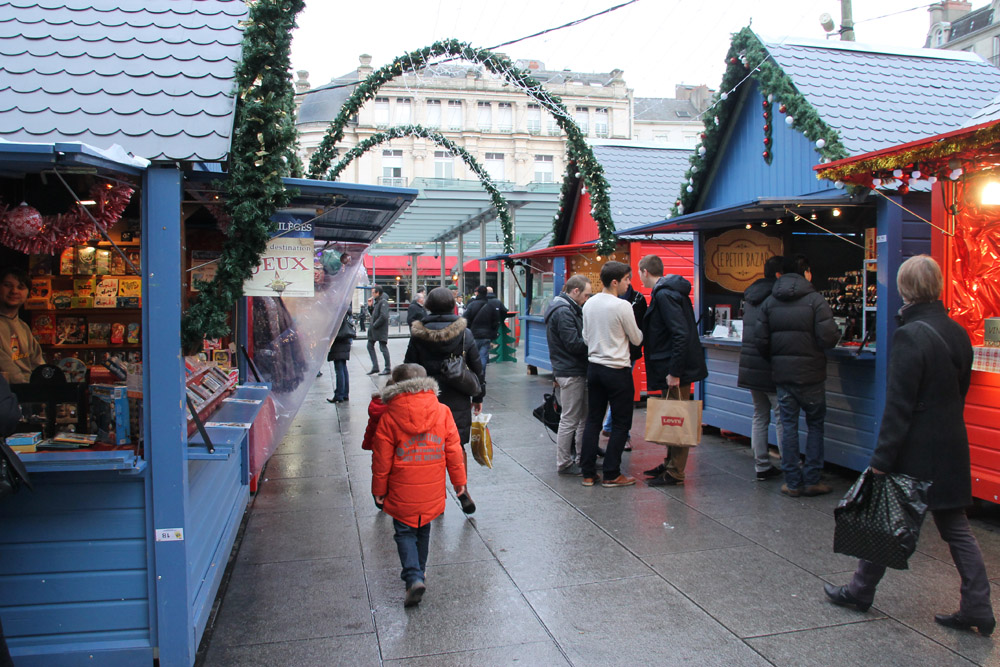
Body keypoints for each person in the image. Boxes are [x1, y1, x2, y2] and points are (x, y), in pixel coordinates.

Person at [824, 255, 995, 636]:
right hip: (951, 441)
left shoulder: (908, 336)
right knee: (956, 528)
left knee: (886, 521)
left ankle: (859, 590)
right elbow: (959, 391)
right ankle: (978, 605)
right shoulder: (957, 332)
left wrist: (882, 458)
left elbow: (899, 404)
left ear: (905, 289)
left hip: (915, 448)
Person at [371, 364, 466, 608]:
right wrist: (459, 483)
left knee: (404, 532)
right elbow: (454, 451)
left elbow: (381, 459)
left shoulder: (390, 416)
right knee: (423, 528)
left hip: (402, 489)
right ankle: (419, 573)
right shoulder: (443, 411)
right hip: (432, 489)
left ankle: (413, 576)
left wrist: (379, 491)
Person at [755, 254, 840, 497]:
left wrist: (777, 358)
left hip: (783, 377)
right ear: (806, 273)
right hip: (812, 375)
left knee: (788, 426)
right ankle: (812, 478)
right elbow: (829, 338)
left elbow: (761, 341)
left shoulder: (771, 301)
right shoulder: (816, 300)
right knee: (815, 426)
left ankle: (792, 481)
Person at [405, 287, 485, 514]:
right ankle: (463, 490)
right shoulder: (464, 333)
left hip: (427, 398)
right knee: (456, 445)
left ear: (427, 306)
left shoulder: (418, 333)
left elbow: (409, 367)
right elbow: (477, 367)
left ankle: (436, 494)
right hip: (457, 395)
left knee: (430, 446)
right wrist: (478, 395)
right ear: (453, 306)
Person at [637, 255, 708, 487]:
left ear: (645, 272)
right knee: (673, 415)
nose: (639, 278)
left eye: (639, 273)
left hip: (675, 368)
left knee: (677, 417)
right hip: (674, 365)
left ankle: (675, 471)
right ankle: (669, 464)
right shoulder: (668, 292)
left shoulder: (665, 294)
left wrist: (675, 372)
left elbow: (680, 334)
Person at [580, 261, 643, 488]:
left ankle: (588, 472)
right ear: (615, 282)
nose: (629, 284)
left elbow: (586, 338)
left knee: (593, 420)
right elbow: (636, 338)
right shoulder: (622, 306)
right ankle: (611, 473)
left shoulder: (589, 304)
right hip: (617, 370)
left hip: (594, 368)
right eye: (627, 279)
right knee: (620, 422)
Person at [738, 255, 785, 481]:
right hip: (771, 365)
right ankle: (788, 463)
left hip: (750, 365)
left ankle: (762, 465)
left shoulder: (750, 297)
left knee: (759, 415)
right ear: (779, 275)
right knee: (781, 415)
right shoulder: (778, 297)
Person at [544, 274, 593, 475]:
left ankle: (580, 457)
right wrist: (594, 342)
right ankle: (564, 462)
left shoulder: (562, 307)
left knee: (579, 417)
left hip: (568, 369)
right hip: (571, 371)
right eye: (586, 295)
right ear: (575, 292)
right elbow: (573, 343)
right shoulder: (564, 311)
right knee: (571, 418)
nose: (587, 299)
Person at [600, 281, 647, 451]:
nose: (628, 282)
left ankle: (613, 429)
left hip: (624, 355)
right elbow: (636, 334)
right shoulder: (605, 301)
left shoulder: (637, 300)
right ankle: (612, 430)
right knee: (619, 397)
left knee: (619, 397)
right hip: (610, 355)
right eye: (625, 279)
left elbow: (638, 331)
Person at [0, 268, 44, 383]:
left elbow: (38, 364)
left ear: (28, 293)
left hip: (28, 393)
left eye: (21, 287)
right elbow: (7, 368)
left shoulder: (23, 327)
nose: (14, 291)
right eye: (7, 285)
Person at [463, 285, 509, 370]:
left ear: (478, 293)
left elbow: (464, 318)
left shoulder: (472, 305)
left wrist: (469, 329)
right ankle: (481, 376)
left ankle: (475, 376)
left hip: (474, 335)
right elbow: (496, 320)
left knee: (473, 357)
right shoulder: (491, 305)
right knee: (483, 356)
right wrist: (493, 332)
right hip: (486, 336)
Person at [326, 307, 355, 404]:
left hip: (339, 343)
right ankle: (345, 393)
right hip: (345, 342)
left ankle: (339, 395)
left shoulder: (339, 313)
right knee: (343, 367)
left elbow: (334, 329)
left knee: (339, 369)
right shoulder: (346, 312)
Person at [367, 286, 391, 376]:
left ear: (377, 293)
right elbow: (374, 314)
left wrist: (375, 325)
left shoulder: (383, 302)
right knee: (370, 345)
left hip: (380, 330)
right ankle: (375, 366)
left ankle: (387, 367)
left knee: (383, 347)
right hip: (375, 330)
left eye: (373, 292)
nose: (372, 294)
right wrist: (370, 307)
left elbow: (383, 316)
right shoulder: (377, 302)